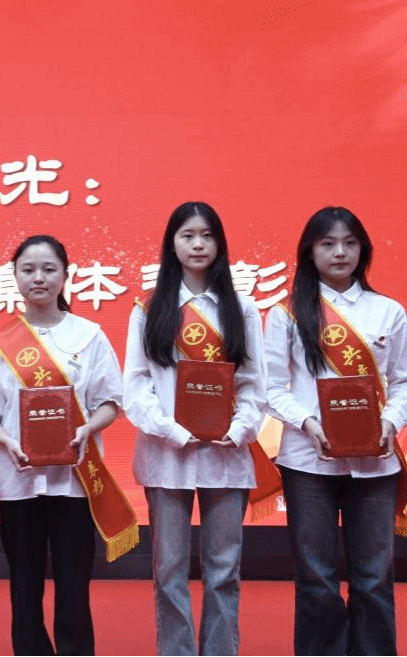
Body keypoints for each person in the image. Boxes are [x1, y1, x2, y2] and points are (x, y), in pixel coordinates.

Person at [264, 206, 407, 656]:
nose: (340, 252)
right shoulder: (286, 314)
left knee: (374, 578)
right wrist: (307, 422)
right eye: (328, 243)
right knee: (316, 578)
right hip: (307, 462)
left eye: (350, 243)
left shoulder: (387, 311)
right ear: (309, 252)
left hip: (375, 464)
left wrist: (390, 421)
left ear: (363, 250)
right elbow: (271, 387)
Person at [0, 235, 131, 656]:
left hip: (74, 481)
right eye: (28, 270)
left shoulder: (90, 336)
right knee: (24, 586)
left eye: (48, 269)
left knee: (74, 586)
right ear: (15, 277)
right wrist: (7, 440)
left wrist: (86, 429)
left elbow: (111, 402)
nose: (38, 278)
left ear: (65, 276)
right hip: (18, 479)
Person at [122, 201, 266, 656]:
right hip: (168, 454)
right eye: (188, 235)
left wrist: (240, 428)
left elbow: (253, 382)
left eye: (207, 235)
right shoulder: (149, 309)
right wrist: (173, 430)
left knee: (224, 569)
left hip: (227, 452)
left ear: (220, 243)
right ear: (172, 244)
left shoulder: (242, 308)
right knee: (169, 570)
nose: (198, 244)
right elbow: (136, 384)